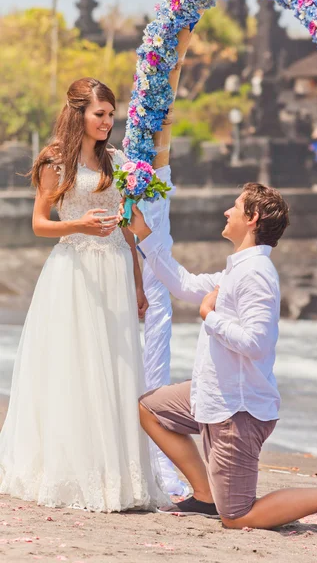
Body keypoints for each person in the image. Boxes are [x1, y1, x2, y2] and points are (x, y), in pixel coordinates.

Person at [124, 183, 317, 537]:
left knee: (237, 516)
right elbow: (185, 285)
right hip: (211, 395)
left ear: (252, 218)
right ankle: (206, 495)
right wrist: (145, 236)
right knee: (150, 408)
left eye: (235, 206)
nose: (227, 212)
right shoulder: (237, 269)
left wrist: (210, 317)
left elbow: (257, 343)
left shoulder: (256, 275)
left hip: (236, 413)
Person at [0, 78, 169, 512]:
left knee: (116, 366)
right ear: (79, 113)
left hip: (114, 266)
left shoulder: (119, 161)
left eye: (112, 115)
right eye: (100, 114)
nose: (108, 122)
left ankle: (117, 473)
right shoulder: (56, 161)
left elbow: (129, 228)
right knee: (74, 365)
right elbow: (40, 224)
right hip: (73, 270)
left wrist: (136, 281)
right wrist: (79, 225)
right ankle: (72, 470)